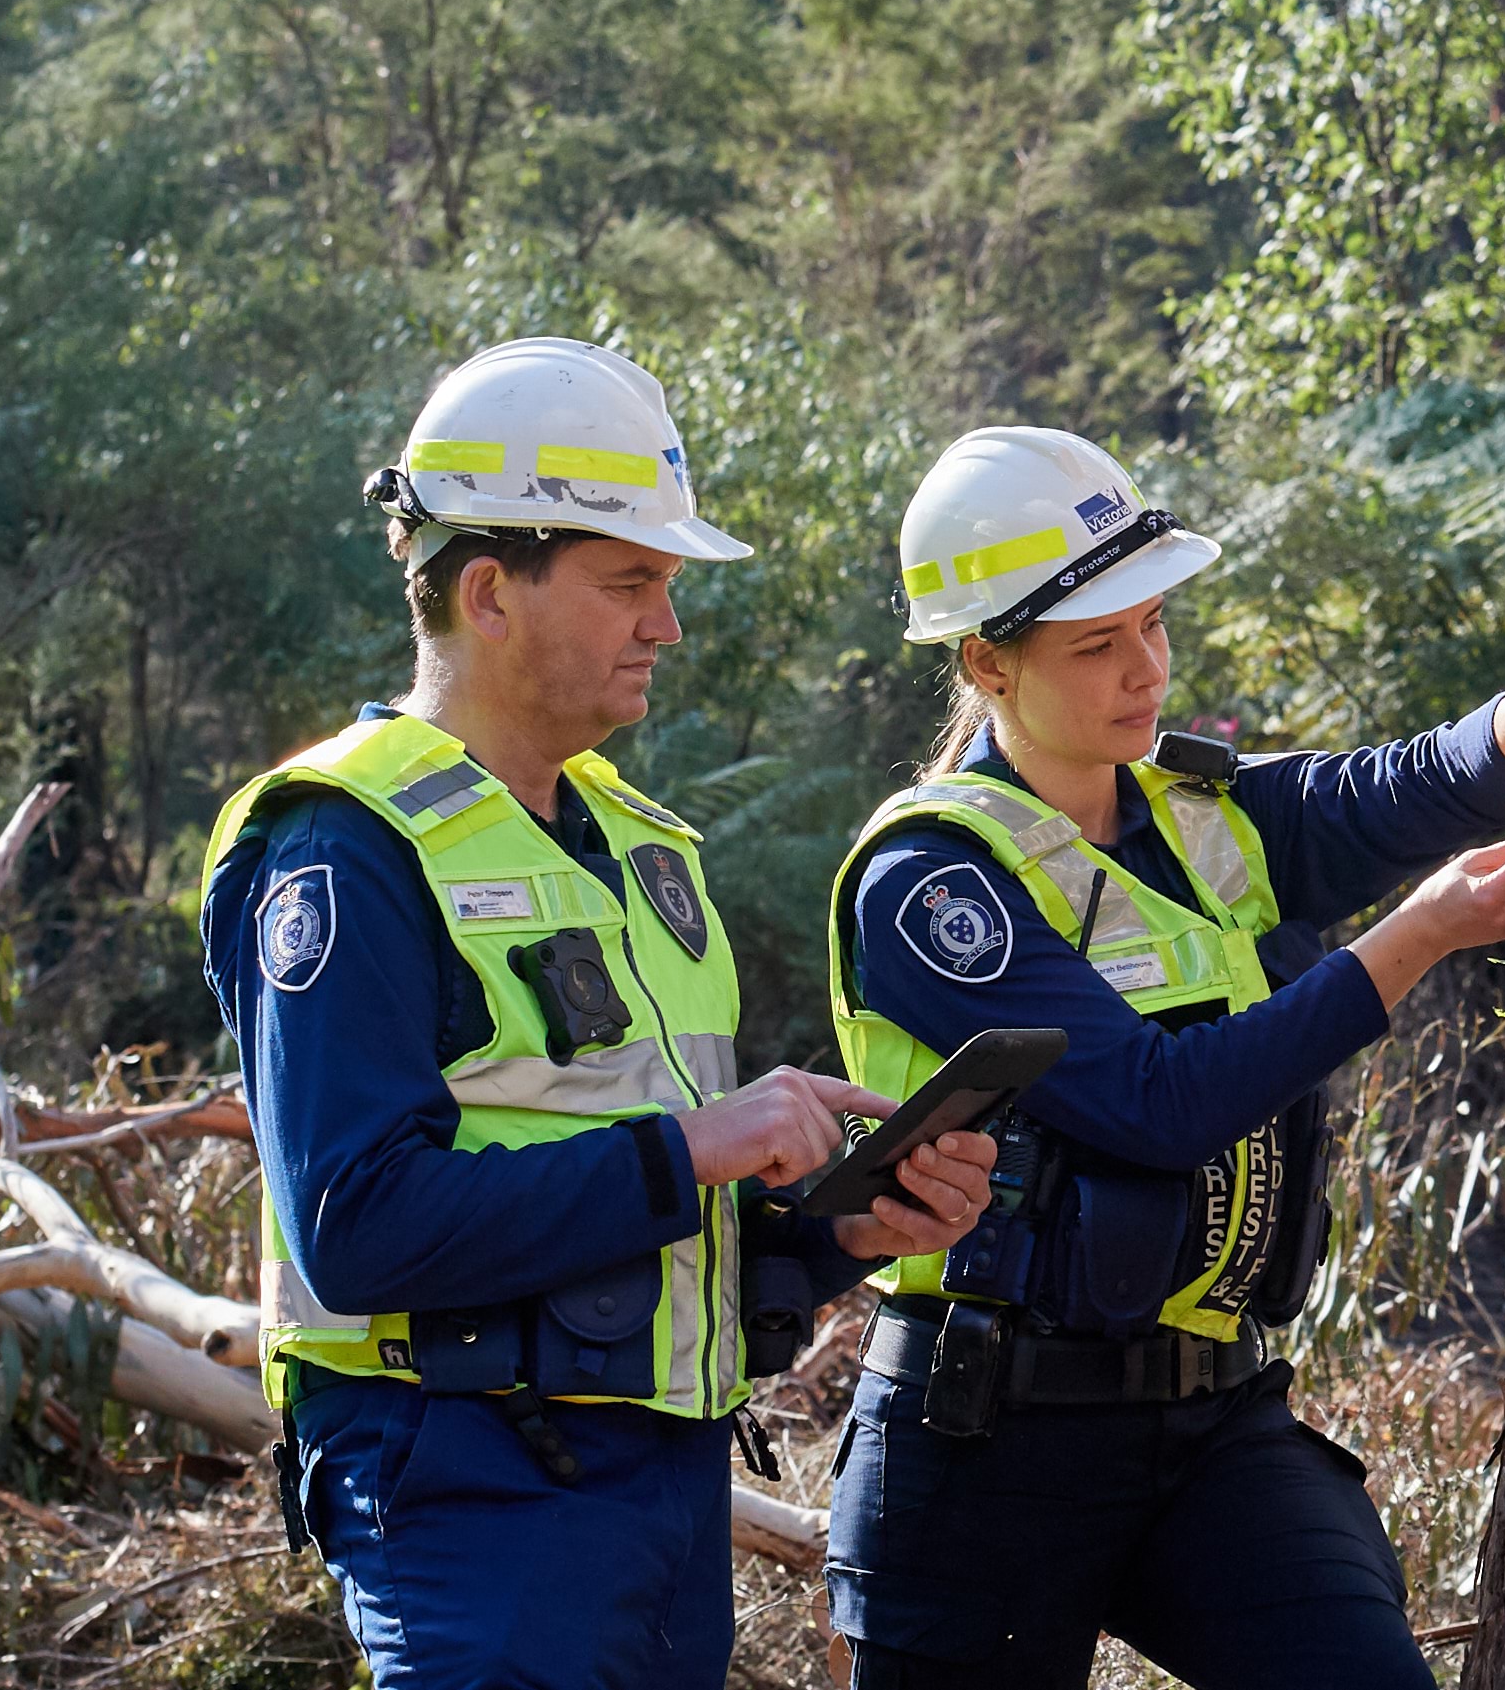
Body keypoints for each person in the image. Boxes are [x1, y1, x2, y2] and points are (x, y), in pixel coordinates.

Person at [197, 338, 999, 1688]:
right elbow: (358, 1227)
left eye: (667, 587)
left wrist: (837, 1231)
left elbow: (650, 1224)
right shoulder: (343, 850)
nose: (665, 625)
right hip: (468, 1497)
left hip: (661, 1501)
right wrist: (700, 1146)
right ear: (491, 592)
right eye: (632, 582)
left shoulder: (647, 849)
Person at [819, 425, 1505, 1687]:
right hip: (982, 1442)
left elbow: (1397, 786)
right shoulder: (932, 883)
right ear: (985, 662)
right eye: (1096, 644)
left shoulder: (1205, 814)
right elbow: (1156, 1108)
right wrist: (1419, 937)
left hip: (1212, 1424)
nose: (1144, 670)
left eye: (1153, 624)